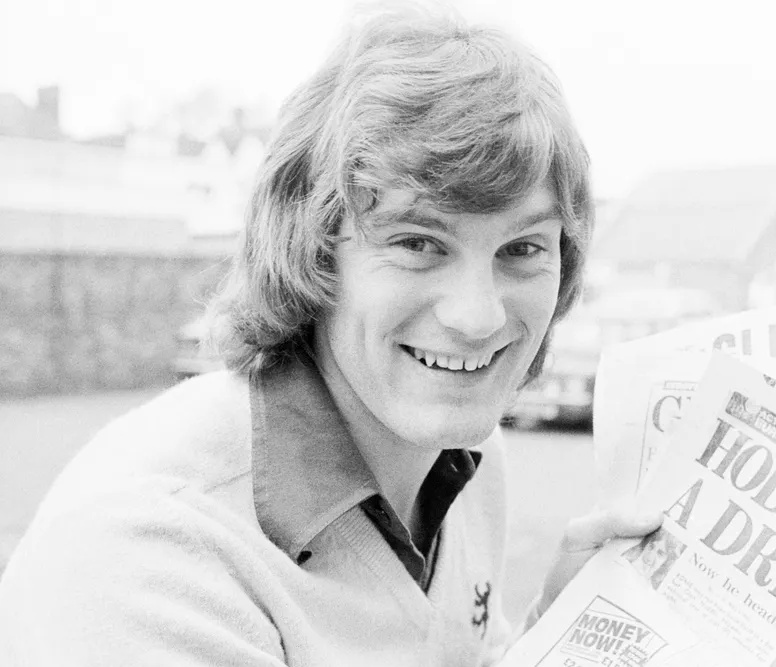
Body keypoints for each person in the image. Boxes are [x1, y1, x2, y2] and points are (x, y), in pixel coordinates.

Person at [0, 5, 661, 665]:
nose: (479, 315)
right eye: (417, 242)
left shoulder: (466, 458)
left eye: (522, 249)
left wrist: (561, 631)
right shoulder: (153, 553)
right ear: (313, 251)